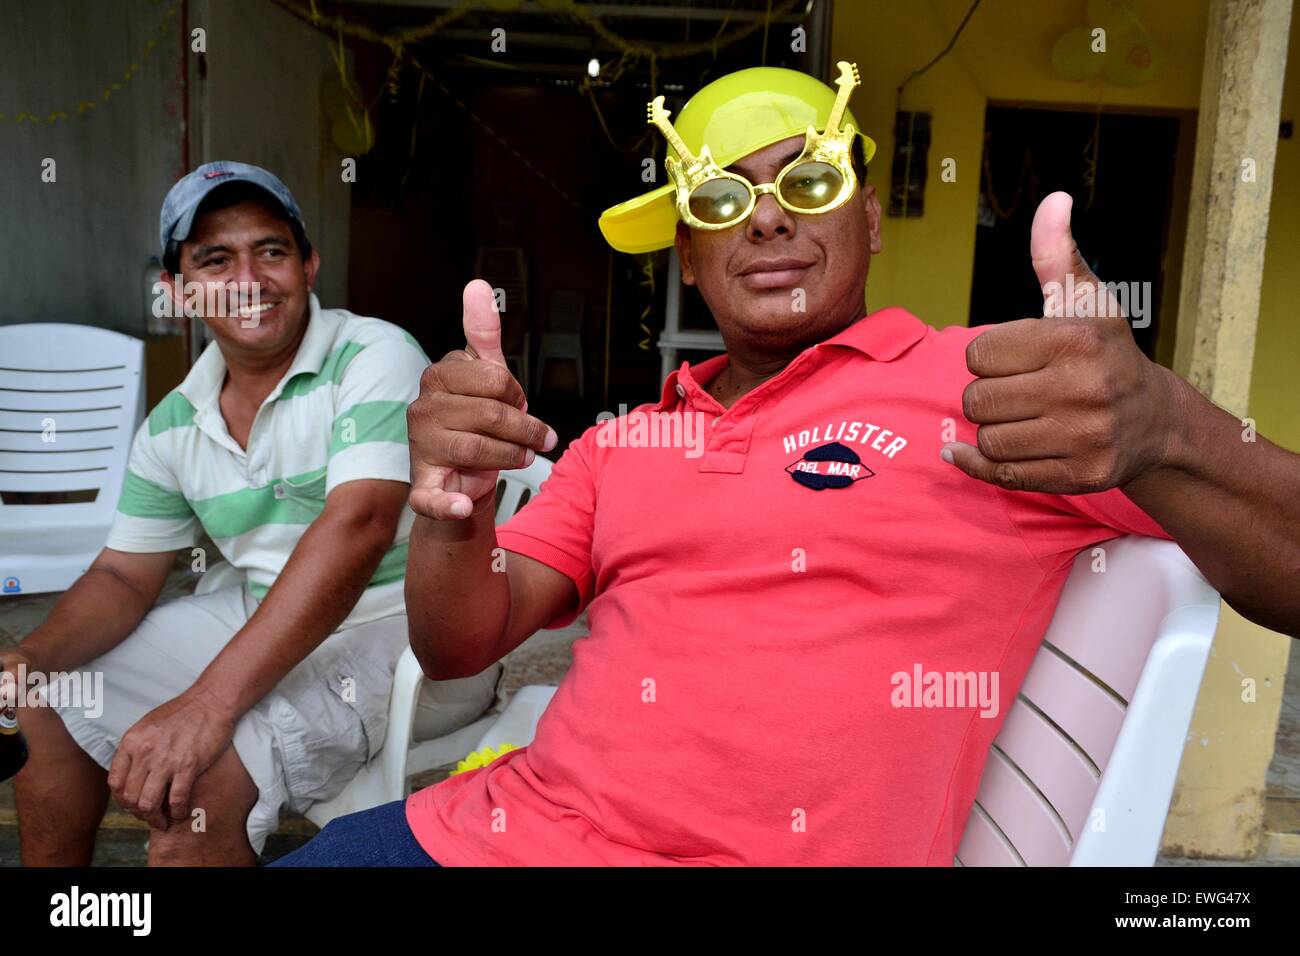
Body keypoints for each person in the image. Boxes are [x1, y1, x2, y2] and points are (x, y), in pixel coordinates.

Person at [275, 65, 1300, 866]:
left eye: (807, 183)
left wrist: (1169, 424)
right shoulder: (626, 438)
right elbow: (461, 642)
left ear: (869, 218)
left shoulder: (989, 385)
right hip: (497, 829)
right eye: (719, 200)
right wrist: (456, 509)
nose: (765, 218)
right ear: (685, 251)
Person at [5, 162, 501, 865]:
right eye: (214, 259)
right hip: (268, 612)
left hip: (409, 629)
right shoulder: (175, 423)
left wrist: (208, 704)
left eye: (270, 251)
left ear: (309, 264)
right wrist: (29, 657)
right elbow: (121, 576)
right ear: (176, 290)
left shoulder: (373, 355)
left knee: (194, 774)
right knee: (42, 701)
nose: (248, 277)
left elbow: (358, 527)